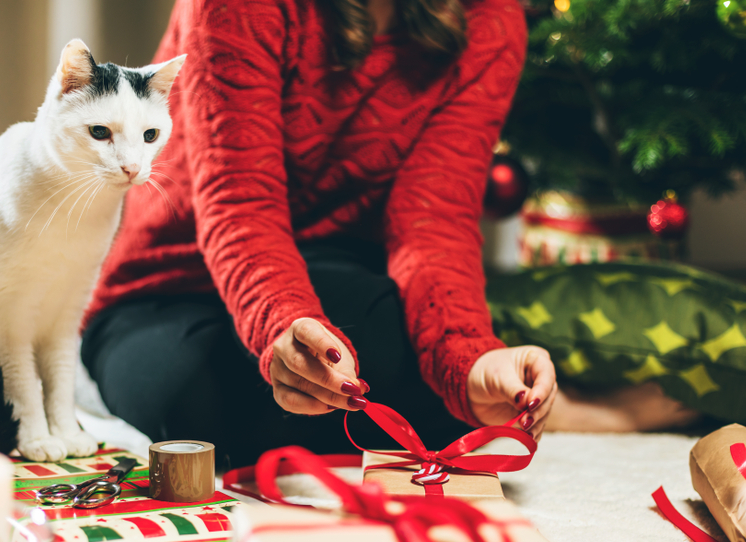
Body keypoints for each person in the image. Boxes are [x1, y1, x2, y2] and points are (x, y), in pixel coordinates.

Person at [82, 0, 555, 467]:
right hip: (176, 284)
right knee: (186, 400)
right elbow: (241, 204)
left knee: (437, 376)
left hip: (335, 266)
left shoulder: (490, 17)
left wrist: (465, 360)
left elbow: (436, 220)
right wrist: (282, 327)